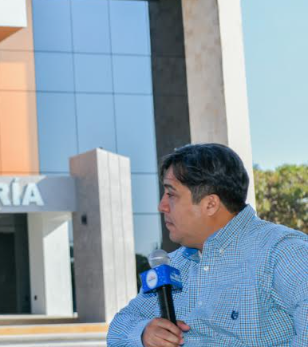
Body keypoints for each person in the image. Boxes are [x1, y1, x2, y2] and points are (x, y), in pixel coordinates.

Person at [108, 143, 308, 347]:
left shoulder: (283, 251)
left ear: (210, 204)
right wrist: (144, 333)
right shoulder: (172, 264)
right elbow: (119, 328)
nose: (162, 206)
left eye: (171, 194)